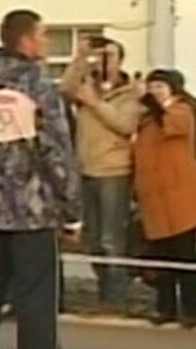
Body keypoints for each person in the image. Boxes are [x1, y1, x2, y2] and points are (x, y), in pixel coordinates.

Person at [0, 9, 82, 349]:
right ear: (26, 40)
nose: (46, 40)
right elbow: (56, 153)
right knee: (35, 300)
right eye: (43, 34)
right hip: (31, 213)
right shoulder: (37, 89)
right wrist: (72, 210)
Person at [57, 35, 139, 314]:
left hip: (113, 171)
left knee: (111, 238)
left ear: (121, 60)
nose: (106, 60)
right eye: (103, 55)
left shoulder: (130, 92)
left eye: (112, 55)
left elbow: (126, 124)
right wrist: (80, 59)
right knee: (92, 239)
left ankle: (115, 298)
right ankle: (105, 289)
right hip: (86, 169)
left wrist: (94, 103)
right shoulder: (85, 86)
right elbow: (65, 89)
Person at [133, 69, 196, 327]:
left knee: (186, 257)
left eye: (160, 86)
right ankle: (166, 307)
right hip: (155, 198)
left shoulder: (182, 110)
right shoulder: (147, 119)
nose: (155, 91)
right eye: (152, 86)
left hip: (181, 197)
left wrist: (150, 103)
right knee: (162, 259)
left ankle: (191, 310)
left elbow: (174, 126)